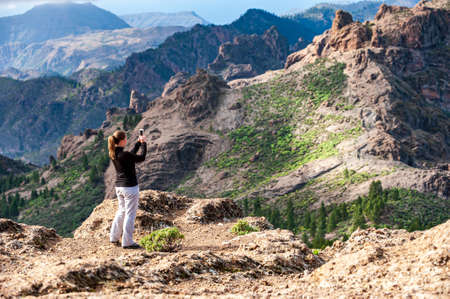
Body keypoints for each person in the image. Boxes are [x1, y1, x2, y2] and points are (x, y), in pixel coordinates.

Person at [107, 130, 147, 249]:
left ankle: (114, 237)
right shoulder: (124, 155)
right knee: (130, 214)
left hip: (119, 187)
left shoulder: (114, 153)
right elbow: (141, 157)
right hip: (130, 187)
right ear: (123, 140)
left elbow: (131, 156)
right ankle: (127, 241)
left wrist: (138, 144)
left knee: (121, 212)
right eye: (126, 138)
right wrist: (144, 144)